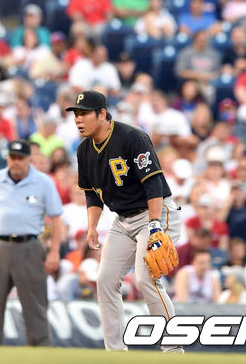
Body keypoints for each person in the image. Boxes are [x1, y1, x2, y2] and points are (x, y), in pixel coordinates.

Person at [70, 89, 182, 352]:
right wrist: (92, 226)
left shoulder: (133, 137)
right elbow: (91, 193)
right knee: (105, 280)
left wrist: (155, 226)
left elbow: (153, 183)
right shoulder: (84, 150)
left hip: (155, 212)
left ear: (102, 114)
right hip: (123, 220)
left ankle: (174, 350)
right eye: (76, 114)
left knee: (146, 278)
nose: (78, 119)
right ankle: (116, 353)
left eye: (84, 113)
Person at [0, 139, 63, 346]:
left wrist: (54, 251)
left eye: (21, 158)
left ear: (29, 159)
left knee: (35, 305)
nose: (16, 162)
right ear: (7, 158)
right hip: (0, 246)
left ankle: (40, 351)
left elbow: (56, 218)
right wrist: (2, 227)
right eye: (12, 157)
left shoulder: (43, 182)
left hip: (30, 246)